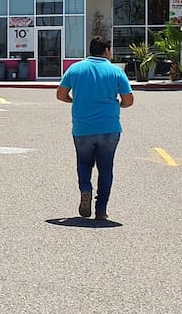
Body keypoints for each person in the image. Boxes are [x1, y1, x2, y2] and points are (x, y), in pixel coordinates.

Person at [56, 38, 134, 220]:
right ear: (106, 51)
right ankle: (101, 210)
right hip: (109, 127)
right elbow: (128, 101)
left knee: (84, 163)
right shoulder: (116, 71)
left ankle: (85, 189)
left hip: (82, 127)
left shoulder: (75, 69)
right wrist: (116, 105)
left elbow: (60, 95)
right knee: (106, 168)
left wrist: (75, 100)